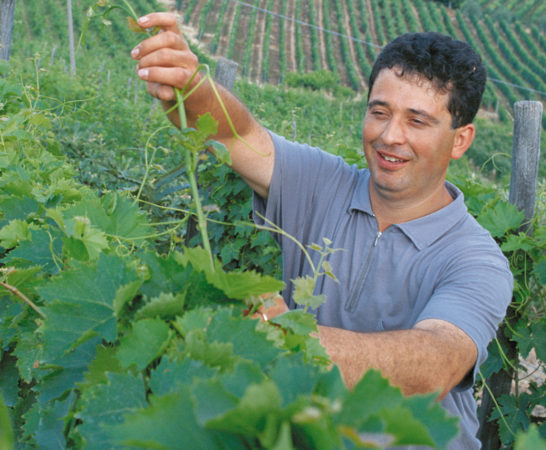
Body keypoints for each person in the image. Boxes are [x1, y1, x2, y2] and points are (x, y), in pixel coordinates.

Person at [131, 13, 513, 449]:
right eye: (379, 112)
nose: (390, 136)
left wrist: (286, 332)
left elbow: (433, 365)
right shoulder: (321, 183)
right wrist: (189, 82)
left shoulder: (475, 259)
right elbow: (234, 136)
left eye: (417, 121)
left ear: (461, 140)